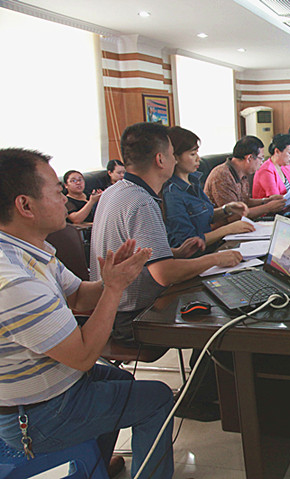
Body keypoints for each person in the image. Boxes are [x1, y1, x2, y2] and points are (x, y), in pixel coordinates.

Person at [0, 148, 174, 479]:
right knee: (158, 399)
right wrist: (114, 289)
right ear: (25, 205)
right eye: (57, 191)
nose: (64, 200)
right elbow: (82, 356)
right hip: (37, 417)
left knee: (124, 383)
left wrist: (112, 278)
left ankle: (94, 464)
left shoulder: (31, 248)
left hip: (57, 391)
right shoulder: (14, 282)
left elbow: (79, 295)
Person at [90, 122, 245, 345]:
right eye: (172, 154)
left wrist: (174, 252)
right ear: (160, 160)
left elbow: (137, 252)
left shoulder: (114, 191)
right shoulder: (141, 202)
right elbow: (164, 274)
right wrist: (216, 259)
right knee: (224, 328)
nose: (174, 160)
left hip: (112, 311)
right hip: (134, 317)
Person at [162, 126, 254, 249]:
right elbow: (188, 243)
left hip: (213, 247)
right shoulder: (172, 194)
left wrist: (226, 210)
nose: (198, 159)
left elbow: (204, 216)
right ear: (175, 157)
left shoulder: (193, 181)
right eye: (192, 154)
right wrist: (228, 229)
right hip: (201, 255)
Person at [203, 135, 286, 220]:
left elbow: (244, 201)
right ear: (249, 158)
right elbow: (233, 216)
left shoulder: (242, 173)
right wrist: (268, 208)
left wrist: (266, 201)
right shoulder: (222, 176)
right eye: (261, 158)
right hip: (225, 225)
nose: (262, 163)